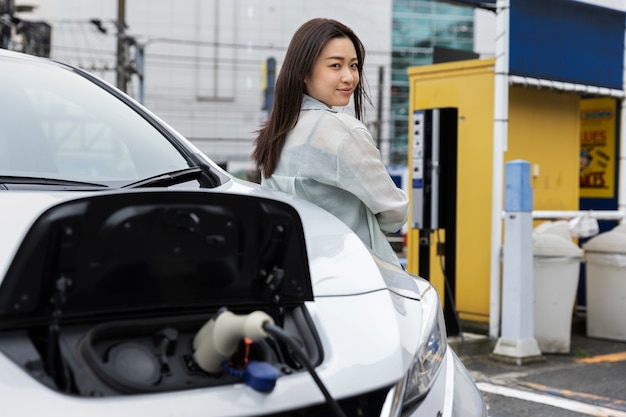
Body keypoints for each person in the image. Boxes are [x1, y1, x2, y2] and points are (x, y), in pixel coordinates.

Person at [252, 18, 408, 267]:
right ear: (304, 72)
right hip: (357, 273)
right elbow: (394, 211)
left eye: (354, 66)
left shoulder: (278, 131)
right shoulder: (343, 132)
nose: (349, 77)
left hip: (300, 272)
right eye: (336, 65)